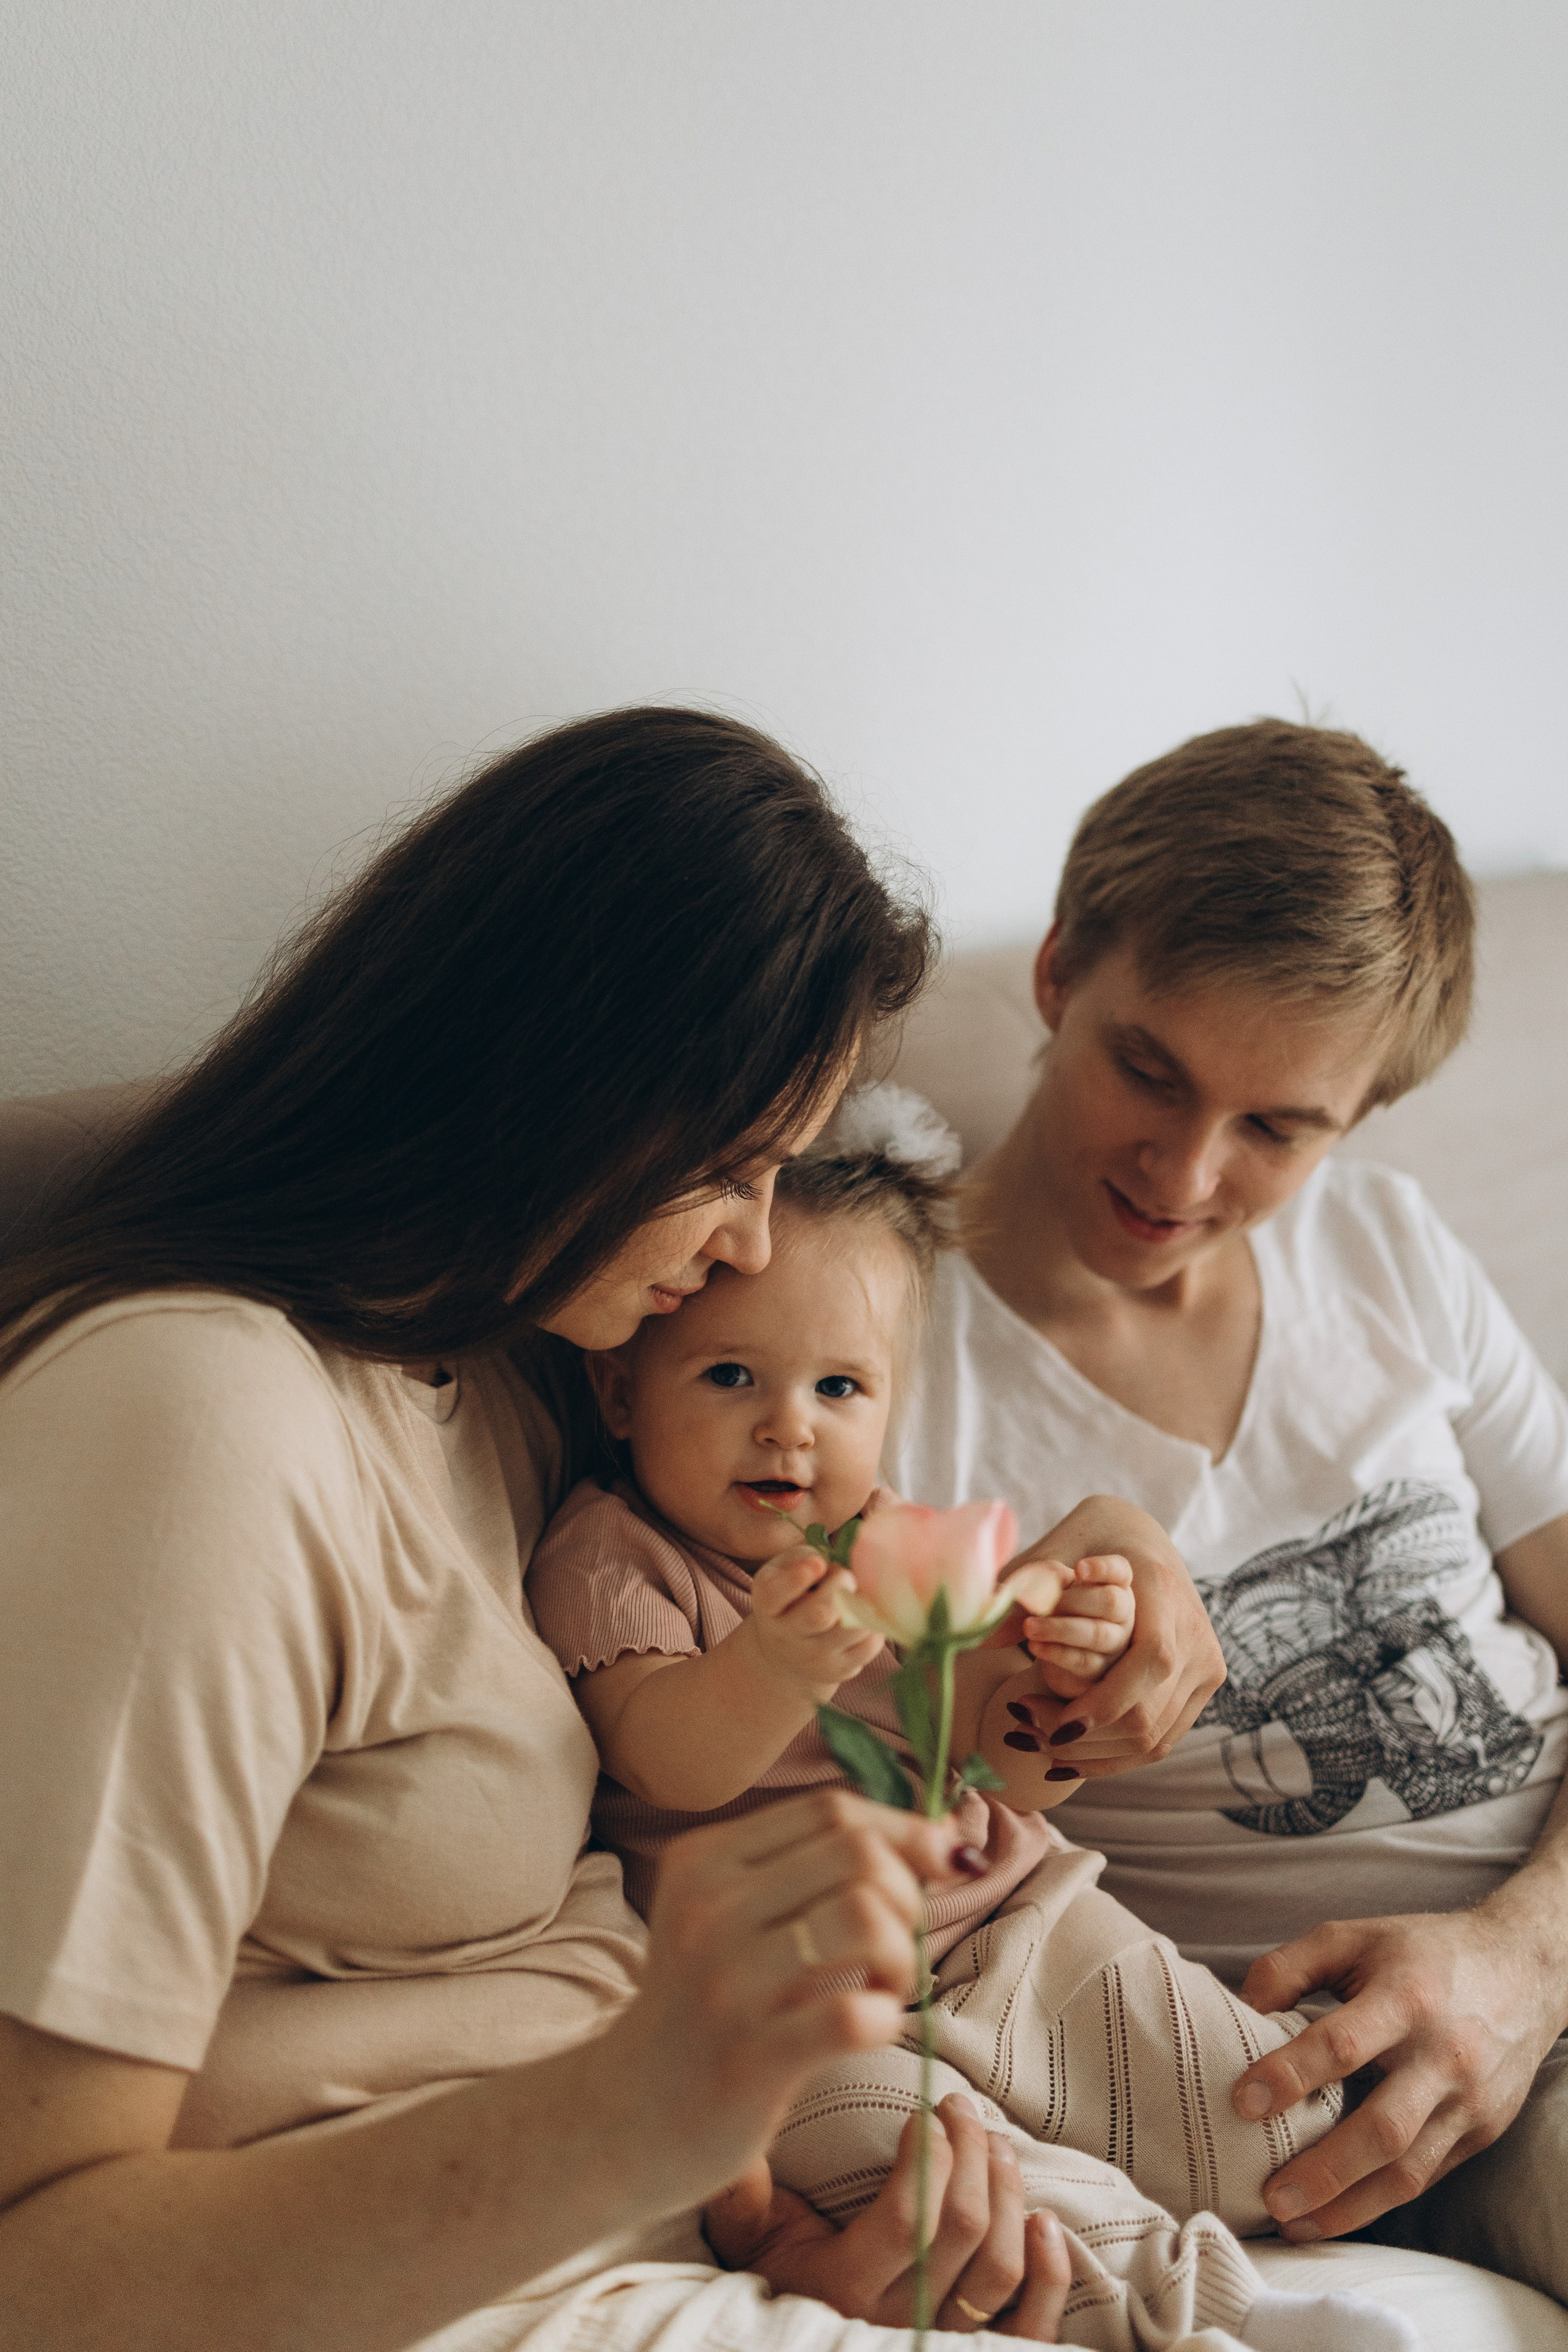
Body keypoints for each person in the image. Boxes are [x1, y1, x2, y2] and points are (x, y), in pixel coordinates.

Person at [0, 707, 1102, 2352]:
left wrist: (775, 2234)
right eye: (734, 1170)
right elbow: (36, 2267)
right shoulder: (199, 1422)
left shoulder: (530, 1371)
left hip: (648, 2237)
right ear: (552, 1082)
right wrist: (642, 2117)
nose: (747, 1248)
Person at [884, 719, 1568, 2307]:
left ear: (1359, 1119)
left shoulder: (1386, 1249)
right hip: (1323, 2097)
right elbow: (822, 1816)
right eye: (1152, 1069)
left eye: (1277, 1129)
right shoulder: (879, 1361)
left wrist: (1529, 1957)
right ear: (1061, 972)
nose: (1186, 1173)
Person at [527, 1091, 1353, 2352]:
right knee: (975, 2208)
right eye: (730, 1374)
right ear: (623, 1392)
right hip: (809, 2017)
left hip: (1018, 1925)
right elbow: (667, 1760)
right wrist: (773, 1663)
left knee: (1277, 2124)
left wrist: (1051, 1674)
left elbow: (1010, 1772)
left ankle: (1260, 2204)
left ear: (891, 1405)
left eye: (840, 1386)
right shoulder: (612, 1555)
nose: (787, 1424)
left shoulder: (901, 1542)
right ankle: (1226, 2318)